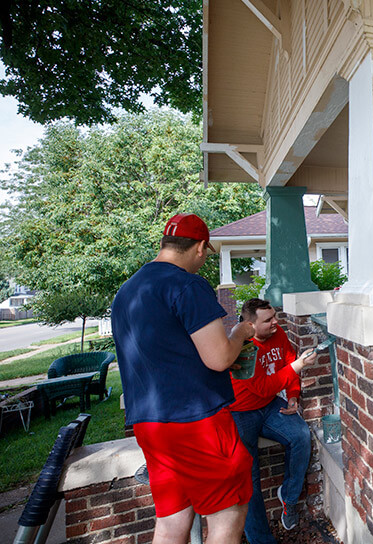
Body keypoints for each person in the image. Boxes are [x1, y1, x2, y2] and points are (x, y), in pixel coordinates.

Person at [111, 213, 255, 544]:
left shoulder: (127, 291)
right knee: (227, 515)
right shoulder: (186, 285)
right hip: (196, 422)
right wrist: (239, 333)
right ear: (201, 247)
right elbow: (219, 358)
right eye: (206, 255)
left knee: (172, 520)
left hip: (150, 425)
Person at [229, 298, 317, 544]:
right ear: (249, 325)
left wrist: (293, 396)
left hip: (269, 405)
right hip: (240, 412)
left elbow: (288, 364)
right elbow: (262, 386)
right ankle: (261, 540)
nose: (275, 323)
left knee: (300, 435)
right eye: (268, 320)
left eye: (275, 317)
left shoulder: (278, 335)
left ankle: (288, 500)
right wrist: (299, 366)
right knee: (249, 479)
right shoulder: (240, 348)